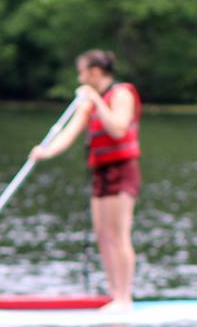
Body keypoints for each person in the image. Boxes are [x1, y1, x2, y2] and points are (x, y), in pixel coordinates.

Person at [29, 49, 140, 308]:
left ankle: (124, 297)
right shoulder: (88, 102)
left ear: (95, 72)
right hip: (100, 172)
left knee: (118, 234)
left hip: (121, 169)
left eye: (82, 73)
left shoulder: (121, 94)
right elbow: (69, 133)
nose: (80, 79)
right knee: (103, 235)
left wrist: (97, 101)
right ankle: (114, 293)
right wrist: (46, 152)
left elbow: (118, 129)